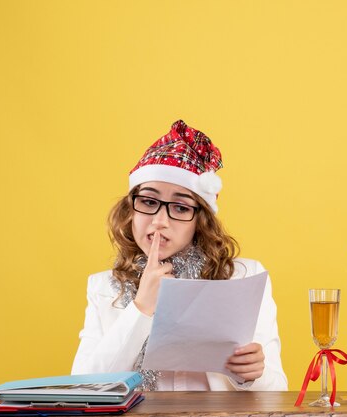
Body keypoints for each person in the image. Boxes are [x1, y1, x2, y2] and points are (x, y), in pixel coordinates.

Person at [71, 120, 287, 391]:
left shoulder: (244, 277)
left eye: (180, 207)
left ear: (200, 220)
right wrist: (141, 308)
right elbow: (83, 389)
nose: (160, 221)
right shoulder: (103, 287)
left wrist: (250, 375)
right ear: (131, 210)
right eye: (149, 202)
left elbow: (276, 389)